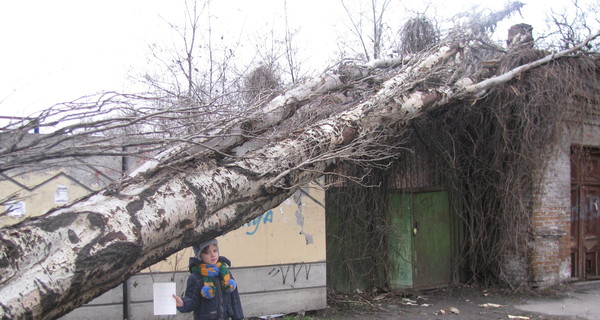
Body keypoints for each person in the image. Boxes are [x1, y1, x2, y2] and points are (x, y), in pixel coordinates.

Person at [173, 239, 244, 320]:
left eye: (215, 250)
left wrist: (239, 317)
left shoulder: (224, 273)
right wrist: (182, 303)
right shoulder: (196, 277)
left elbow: (234, 297)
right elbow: (192, 300)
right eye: (207, 252)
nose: (213, 255)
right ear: (199, 255)